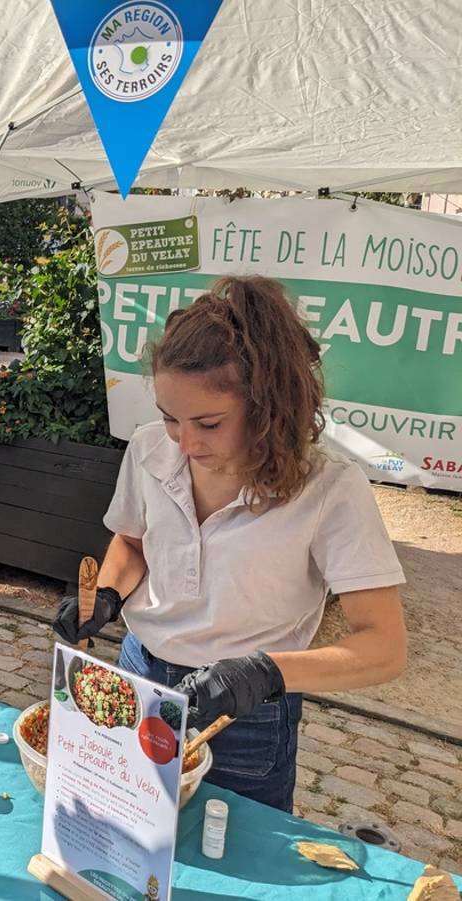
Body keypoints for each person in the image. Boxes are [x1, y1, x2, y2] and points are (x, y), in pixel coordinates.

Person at [53, 275, 407, 812]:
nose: (185, 443)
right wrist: (106, 594)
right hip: (140, 673)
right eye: (171, 418)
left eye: (209, 423)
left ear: (268, 408)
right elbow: (132, 542)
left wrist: (269, 672)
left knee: (231, 850)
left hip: (245, 712)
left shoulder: (330, 487)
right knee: (121, 827)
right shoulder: (149, 449)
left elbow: (384, 646)